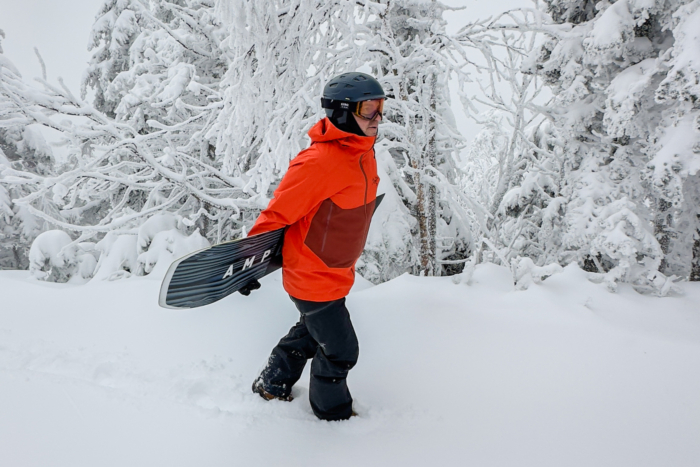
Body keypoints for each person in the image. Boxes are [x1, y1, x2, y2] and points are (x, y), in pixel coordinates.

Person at [243, 72, 386, 421]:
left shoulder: (362, 153)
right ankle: (332, 417)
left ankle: (272, 383)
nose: (378, 118)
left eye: (381, 108)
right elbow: (278, 212)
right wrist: (248, 260)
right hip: (313, 276)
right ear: (341, 112)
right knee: (340, 350)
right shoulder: (319, 161)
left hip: (336, 271)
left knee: (311, 332)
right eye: (369, 109)